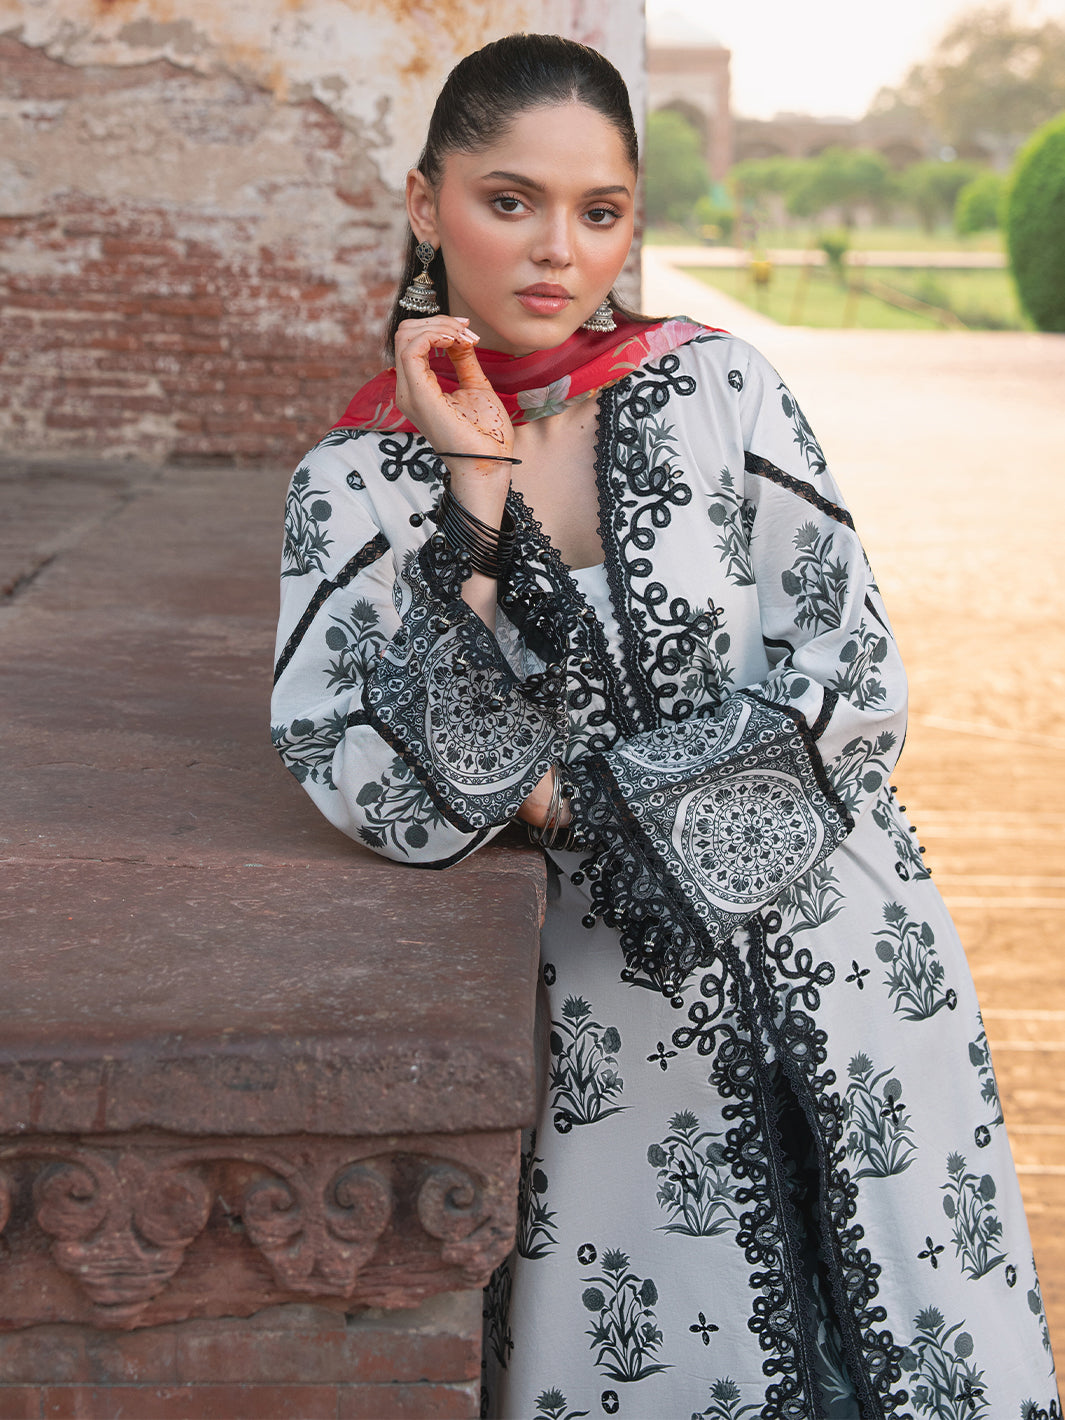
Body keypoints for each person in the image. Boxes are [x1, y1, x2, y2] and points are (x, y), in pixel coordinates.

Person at [271, 32, 1059, 1420]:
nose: (556, 252)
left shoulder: (721, 391)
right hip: (607, 1029)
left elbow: (854, 678)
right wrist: (471, 495)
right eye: (509, 201)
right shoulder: (353, 486)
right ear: (424, 205)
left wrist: (568, 798)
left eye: (600, 212)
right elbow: (383, 791)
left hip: (854, 964)